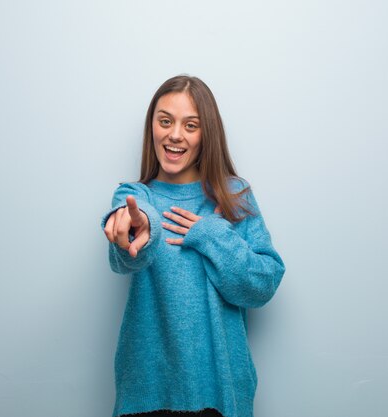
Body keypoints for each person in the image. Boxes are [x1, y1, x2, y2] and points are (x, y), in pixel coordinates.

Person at [101, 75, 285, 417]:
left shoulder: (234, 196)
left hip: (221, 394)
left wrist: (210, 233)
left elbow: (262, 286)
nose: (174, 134)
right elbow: (128, 247)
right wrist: (139, 226)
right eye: (165, 121)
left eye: (191, 125)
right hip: (148, 395)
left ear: (206, 134)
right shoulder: (134, 196)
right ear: (152, 127)